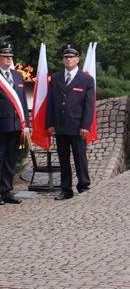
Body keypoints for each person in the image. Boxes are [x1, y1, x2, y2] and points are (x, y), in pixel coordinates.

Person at [46, 44, 95, 200]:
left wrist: (85, 126)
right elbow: (50, 103)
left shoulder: (86, 79)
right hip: (60, 127)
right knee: (63, 160)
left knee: (80, 158)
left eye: (71, 57)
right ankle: (66, 189)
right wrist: (50, 123)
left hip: (77, 127)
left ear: (77, 59)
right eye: (66, 57)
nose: (68, 59)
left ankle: (83, 186)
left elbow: (89, 106)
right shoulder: (55, 78)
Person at [0, 43, 30, 205]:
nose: (9, 59)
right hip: (0, 124)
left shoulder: (18, 75)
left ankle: (7, 190)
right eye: (5, 56)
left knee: (10, 160)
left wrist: (26, 122)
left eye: (10, 57)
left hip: (16, 124)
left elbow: (22, 101)